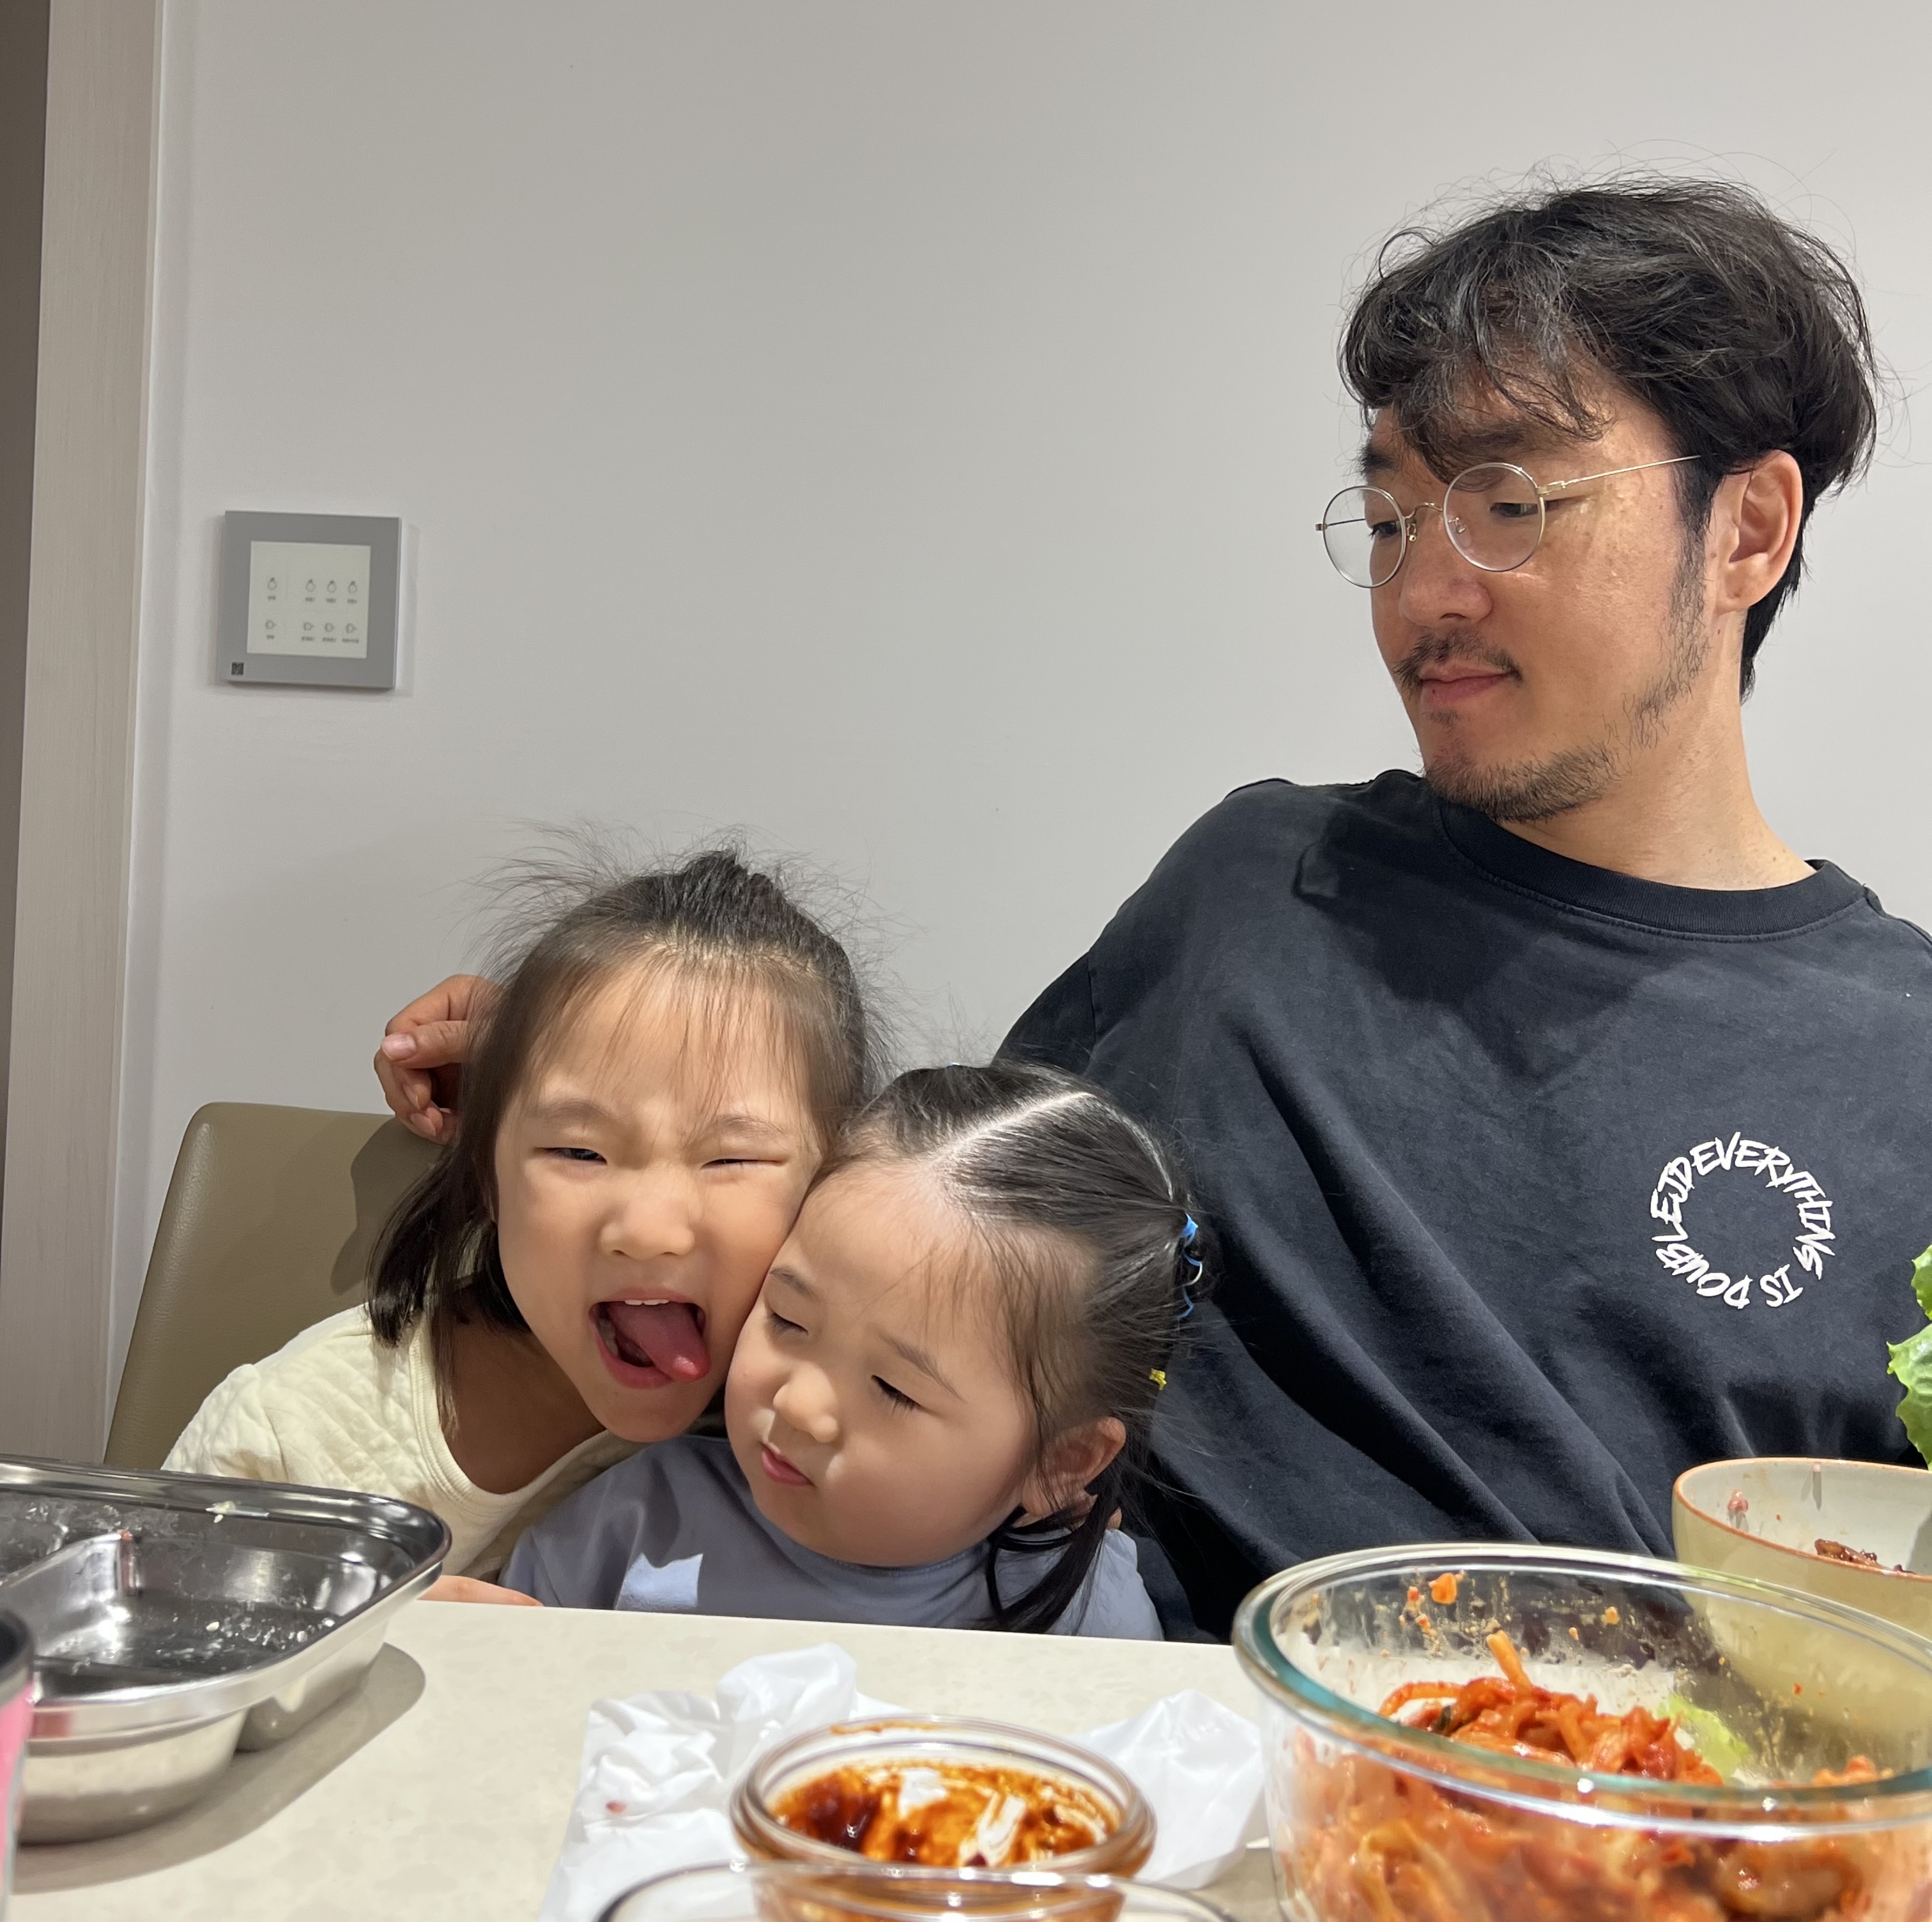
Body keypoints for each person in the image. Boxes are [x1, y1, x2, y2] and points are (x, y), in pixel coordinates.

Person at [376, 177, 1932, 1640]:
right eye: (1392, 520)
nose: (1422, 597)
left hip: (1612, 1798)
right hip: (1094, 1744)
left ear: (1747, 529)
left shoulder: (1898, 1057)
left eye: (1511, 503)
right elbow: (934, 1227)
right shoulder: (1256, 890)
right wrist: (612, 1073)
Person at [169, 849, 875, 1590]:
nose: (648, 1231)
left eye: (732, 1158)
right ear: (487, 1171)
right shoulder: (288, 1446)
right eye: (578, 1151)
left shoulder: (837, 1430)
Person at [503, 1061, 1199, 1638]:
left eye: (893, 1387)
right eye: (787, 1320)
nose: (799, 1405)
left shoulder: (1086, 1619)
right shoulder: (632, 1526)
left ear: (1060, 1461)